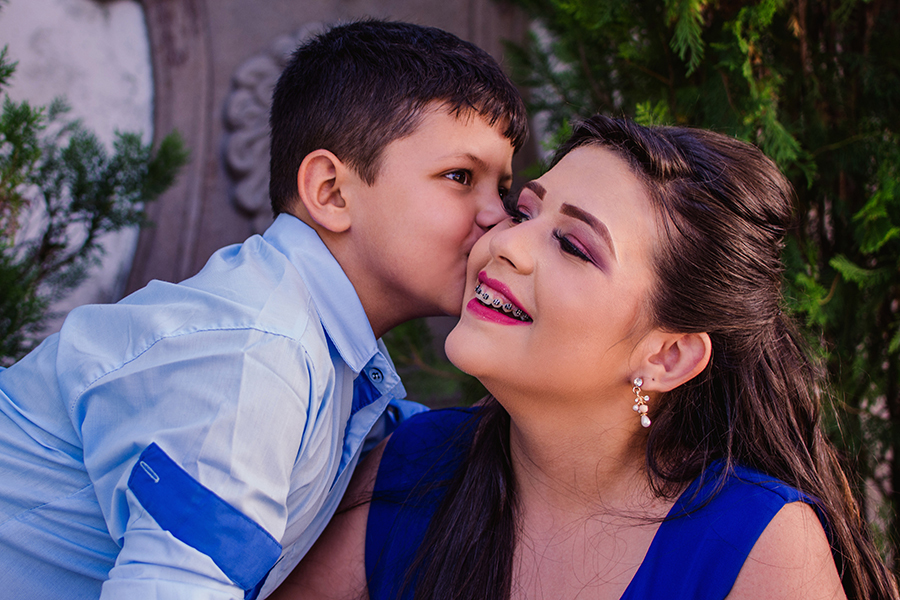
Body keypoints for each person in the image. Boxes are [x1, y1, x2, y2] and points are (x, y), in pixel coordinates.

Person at [0, 19, 528, 599]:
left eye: (501, 188)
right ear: (330, 191)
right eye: (459, 177)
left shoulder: (335, 362)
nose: (496, 217)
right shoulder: (258, 353)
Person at [274, 116, 898, 600]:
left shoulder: (754, 543)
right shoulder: (408, 472)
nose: (506, 243)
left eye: (573, 246)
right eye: (525, 211)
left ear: (669, 356)